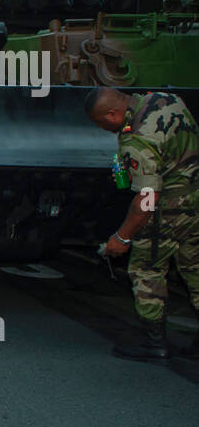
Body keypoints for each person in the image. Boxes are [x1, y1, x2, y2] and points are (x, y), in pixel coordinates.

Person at [85, 86, 199, 360]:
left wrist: (122, 238)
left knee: (147, 270)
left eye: (103, 122)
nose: (104, 129)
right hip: (195, 200)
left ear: (113, 112)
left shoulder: (138, 139)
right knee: (195, 270)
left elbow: (148, 198)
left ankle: (154, 343)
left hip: (167, 211)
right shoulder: (168, 99)